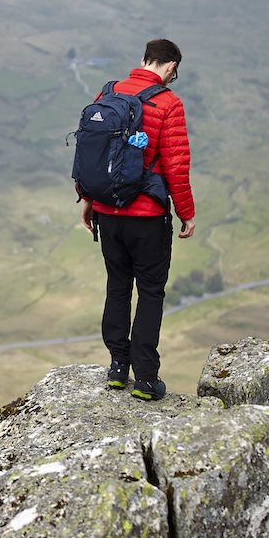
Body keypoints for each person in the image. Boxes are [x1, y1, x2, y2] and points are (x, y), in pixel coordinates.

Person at [80, 38, 195, 400]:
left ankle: (117, 368)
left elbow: (93, 154)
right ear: (171, 67)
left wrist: (87, 199)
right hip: (146, 217)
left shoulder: (108, 92)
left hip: (107, 213)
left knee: (117, 286)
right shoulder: (168, 102)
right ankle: (145, 379)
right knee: (150, 292)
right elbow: (177, 166)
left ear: (143, 59)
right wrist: (186, 214)